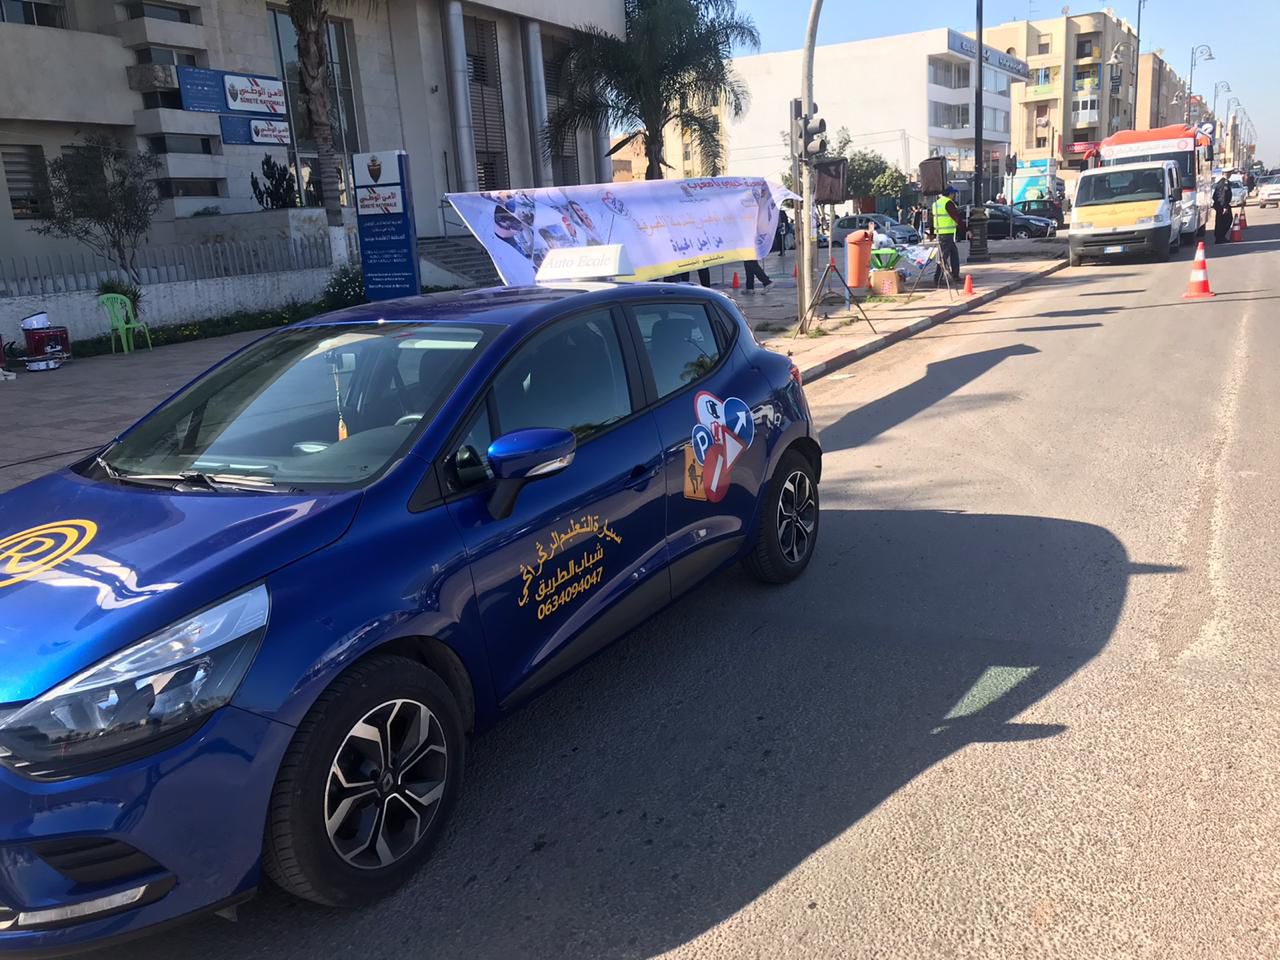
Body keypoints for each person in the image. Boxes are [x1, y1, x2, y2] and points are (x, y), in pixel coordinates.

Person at [931, 186, 966, 286]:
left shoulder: (936, 203)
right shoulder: (948, 203)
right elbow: (956, 217)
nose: (954, 195)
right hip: (947, 233)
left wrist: (932, 233)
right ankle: (937, 278)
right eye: (953, 193)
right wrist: (966, 229)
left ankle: (955, 275)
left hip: (941, 233)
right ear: (950, 194)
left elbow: (932, 218)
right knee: (943, 257)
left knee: (953, 253)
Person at [1212, 174, 1234, 243]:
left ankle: (1220, 237)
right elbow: (1223, 195)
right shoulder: (1223, 183)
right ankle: (1220, 238)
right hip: (1222, 206)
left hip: (1221, 205)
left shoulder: (1223, 182)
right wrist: (1224, 206)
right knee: (1225, 221)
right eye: (1229, 173)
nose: (1230, 174)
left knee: (1221, 221)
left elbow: (1214, 196)